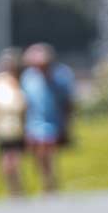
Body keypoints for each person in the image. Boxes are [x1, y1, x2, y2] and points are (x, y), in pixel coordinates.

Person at [21, 43, 76, 194]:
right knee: (38, 154)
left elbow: (68, 102)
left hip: (53, 121)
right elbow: (26, 103)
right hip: (33, 122)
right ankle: (46, 180)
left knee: (47, 151)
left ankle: (50, 183)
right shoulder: (28, 77)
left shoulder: (61, 75)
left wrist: (67, 124)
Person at [0, 48, 28, 197]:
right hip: (4, 125)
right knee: (7, 157)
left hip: (16, 125)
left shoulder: (22, 80)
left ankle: (17, 187)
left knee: (14, 157)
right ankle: (13, 188)